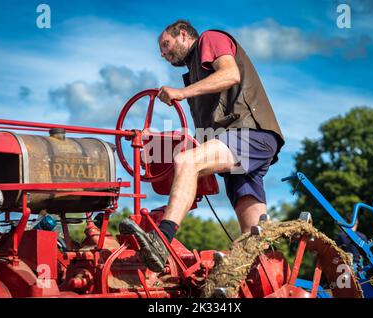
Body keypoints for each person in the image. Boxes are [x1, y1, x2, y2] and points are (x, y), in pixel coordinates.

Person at [120, 20, 284, 272]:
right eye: (161, 52)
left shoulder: (210, 39)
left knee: (188, 161)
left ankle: (162, 239)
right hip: (240, 142)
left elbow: (230, 74)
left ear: (183, 34)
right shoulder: (194, 72)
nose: (163, 54)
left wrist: (182, 93)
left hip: (250, 132)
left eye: (166, 45)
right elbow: (202, 133)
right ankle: (268, 275)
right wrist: (155, 143)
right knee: (254, 240)